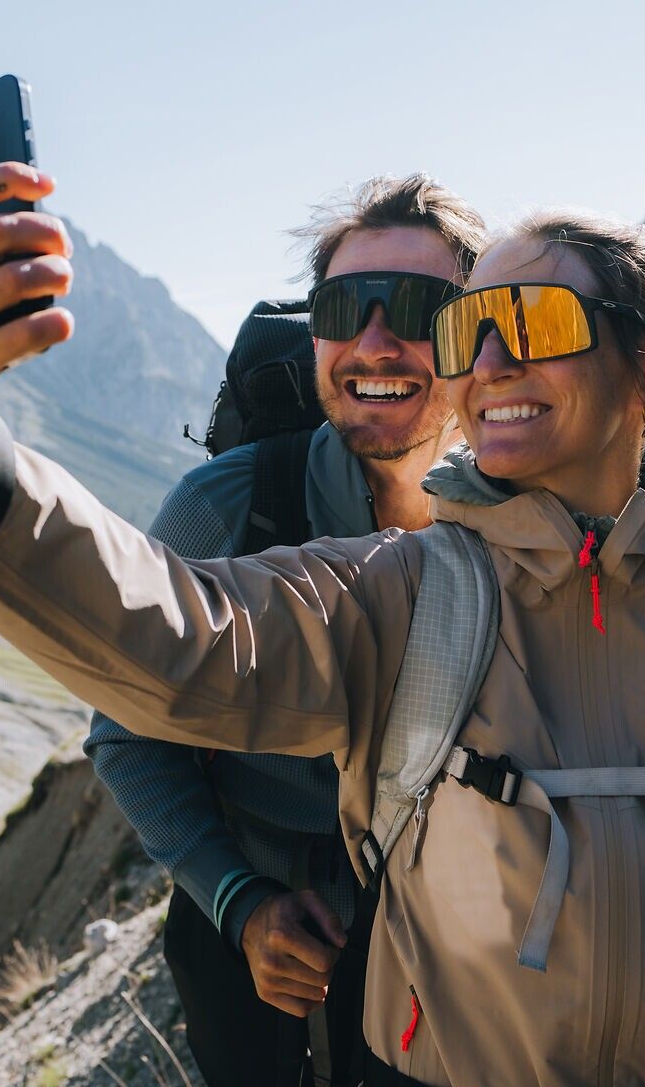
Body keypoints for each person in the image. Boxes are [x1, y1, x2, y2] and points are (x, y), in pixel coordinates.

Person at [0, 163, 645, 1087]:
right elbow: (176, 641)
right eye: (472, 331)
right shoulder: (399, 594)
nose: (489, 361)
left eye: (532, 323)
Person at [84, 175, 487, 1087]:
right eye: (343, 308)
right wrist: (239, 902)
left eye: (418, 308)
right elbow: (126, 733)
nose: (374, 342)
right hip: (251, 947)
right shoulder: (228, 507)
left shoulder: (525, 523)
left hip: (454, 949)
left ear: (474, 332)